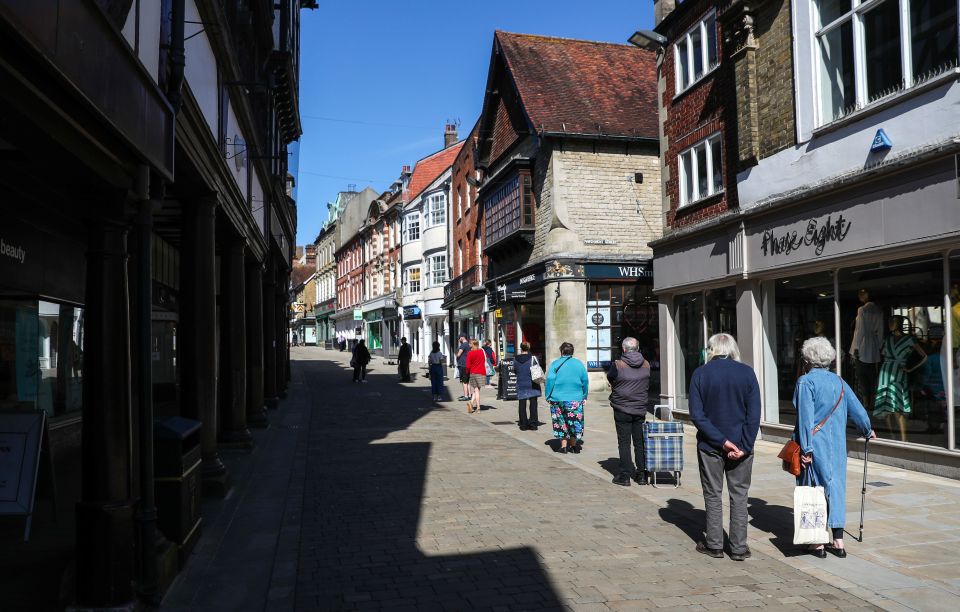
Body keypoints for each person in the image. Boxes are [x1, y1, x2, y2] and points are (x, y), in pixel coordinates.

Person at [793, 336, 875, 558]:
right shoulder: (839, 382)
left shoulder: (805, 382)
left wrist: (806, 450)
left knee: (813, 489)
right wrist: (867, 430)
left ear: (808, 359)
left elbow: (805, 419)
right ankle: (838, 541)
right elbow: (858, 411)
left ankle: (817, 543)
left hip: (814, 445)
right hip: (837, 446)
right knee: (835, 487)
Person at [688, 333, 761, 562]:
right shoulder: (747, 372)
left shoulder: (701, 373)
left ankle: (715, 545)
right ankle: (739, 548)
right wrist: (744, 445)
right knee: (739, 496)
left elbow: (697, 416)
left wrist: (722, 441)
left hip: (711, 444)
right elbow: (754, 414)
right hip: (740, 445)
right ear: (733, 349)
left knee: (713, 495)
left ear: (710, 350)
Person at [607, 337, 651, 487]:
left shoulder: (618, 365)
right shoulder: (646, 364)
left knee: (624, 442)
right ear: (638, 349)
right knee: (640, 442)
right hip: (639, 408)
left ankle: (625, 475)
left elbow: (610, 378)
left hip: (622, 408)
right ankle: (642, 475)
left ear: (624, 349)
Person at [874, 316, 926, 441]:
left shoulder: (909, 339)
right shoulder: (887, 339)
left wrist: (910, 369)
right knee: (885, 406)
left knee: (898, 406)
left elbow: (924, 356)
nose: (890, 323)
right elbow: (880, 356)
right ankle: (892, 436)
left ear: (900, 323)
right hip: (885, 373)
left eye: (894, 321)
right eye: (889, 321)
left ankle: (903, 438)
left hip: (898, 373)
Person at [545, 342, 589, 454]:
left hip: (557, 398)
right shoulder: (579, 364)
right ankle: (574, 446)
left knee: (560, 421)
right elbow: (585, 381)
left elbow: (550, 380)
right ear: (572, 352)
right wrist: (584, 395)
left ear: (561, 351)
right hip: (575, 398)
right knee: (574, 422)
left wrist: (548, 395)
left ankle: (564, 446)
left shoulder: (555, 364)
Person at [849, 288, 883, 411]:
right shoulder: (878, 310)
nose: (859, 297)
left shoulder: (862, 310)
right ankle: (873, 400)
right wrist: (878, 346)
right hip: (873, 345)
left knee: (861, 374)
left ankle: (865, 402)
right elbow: (880, 331)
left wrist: (856, 347)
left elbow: (860, 330)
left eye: (861, 295)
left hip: (863, 345)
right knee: (872, 375)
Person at [514, 342, 541, 431]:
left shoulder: (515, 359)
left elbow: (515, 371)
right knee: (533, 404)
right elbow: (537, 369)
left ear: (521, 348)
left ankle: (523, 424)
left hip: (521, 382)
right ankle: (533, 424)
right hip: (532, 383)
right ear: (529, 348)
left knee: (522, 404)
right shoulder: (533, 358)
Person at [464, 339, 487, 413]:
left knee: (476, 390)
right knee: (477, 390)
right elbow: (484, 360)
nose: (469, 345)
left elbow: (467, 366)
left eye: (470, 343)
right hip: (481, 372)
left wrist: (467, 373)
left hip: (473, 373)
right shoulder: (481, 351)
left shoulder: (470, 353)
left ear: (472, 344)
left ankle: (478, 407)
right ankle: (471, 403)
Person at [455, 335, 471, 401]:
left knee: (464, 381)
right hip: (467, 364)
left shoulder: (463, 345)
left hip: (463, 365)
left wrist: (456, 354)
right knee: (468, 381)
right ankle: (469, 395)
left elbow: (458, 354)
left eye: (459, 338)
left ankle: (466, 396)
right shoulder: (468, 344)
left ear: (462, 337)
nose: (458, 340)